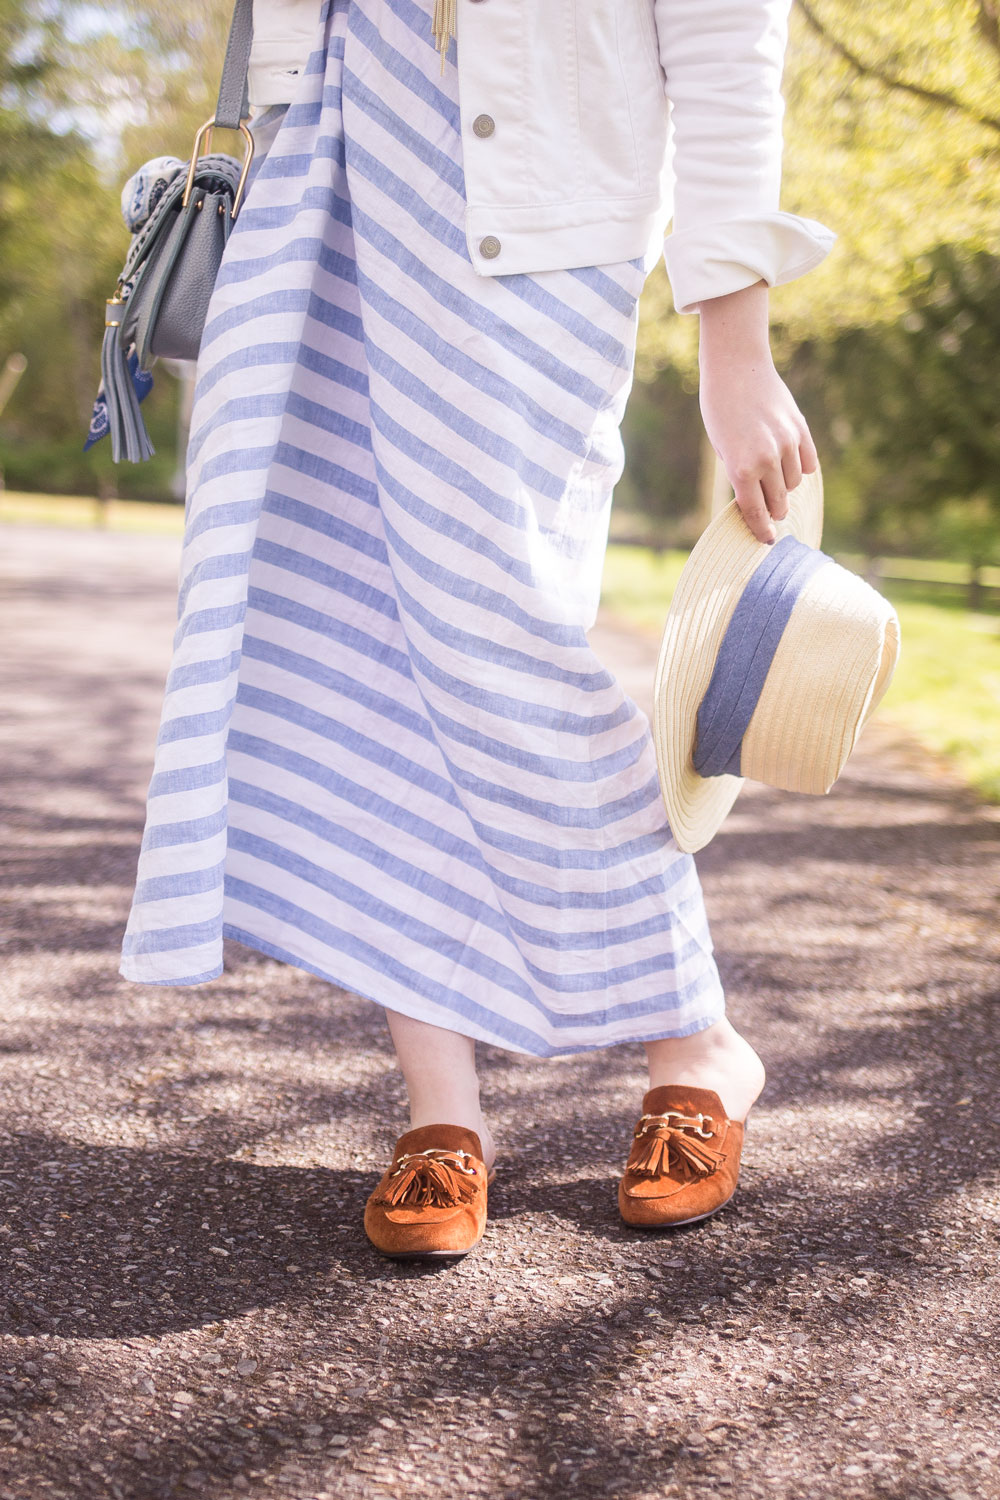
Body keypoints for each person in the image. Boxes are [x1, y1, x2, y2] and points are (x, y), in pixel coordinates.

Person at [119, 0, 835, 1257]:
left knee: (506, 643)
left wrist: (735, 334)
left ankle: (698, 1038)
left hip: (539, 233)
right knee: (340, 626)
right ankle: (441, 1112)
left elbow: (728, 42)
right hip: (325, 182)